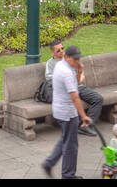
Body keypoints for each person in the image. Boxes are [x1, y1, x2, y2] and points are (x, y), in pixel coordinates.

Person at [41, 44, 91, 178]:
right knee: (71, 146)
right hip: (67, 113)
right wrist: (83, 116)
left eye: (78, 59)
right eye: (75, 59)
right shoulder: (66, 72)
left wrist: (79, 71)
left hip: (60, 110)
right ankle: (68, 175)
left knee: (66, 138)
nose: (77, 61)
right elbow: (74, 96)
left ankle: (49, 163)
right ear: (67, 57)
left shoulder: (61, 65)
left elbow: (75, 84)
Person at [44, 41, 102, 133]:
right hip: (65, 90)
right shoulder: (50, 64)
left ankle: (86, 125)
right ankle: (79, 126)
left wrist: (76, 79)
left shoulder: (71, 59)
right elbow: (50, 79)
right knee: (71, 101)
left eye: (62, 48)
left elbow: (82, 75)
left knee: (98, 98)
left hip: (78, 86)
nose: (62, 51)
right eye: (58, 50)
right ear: (52, 52)